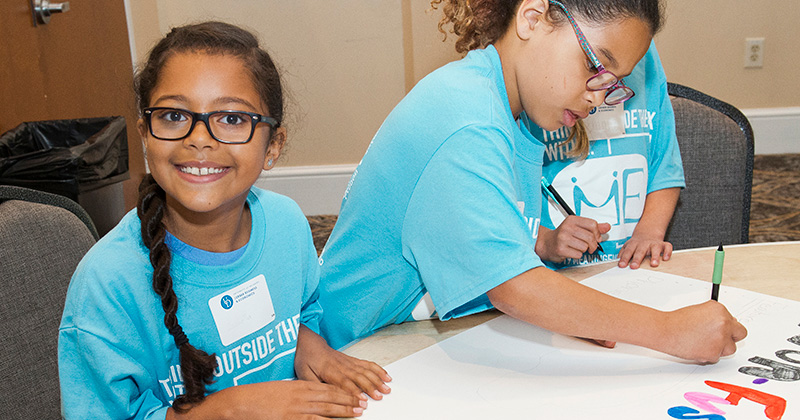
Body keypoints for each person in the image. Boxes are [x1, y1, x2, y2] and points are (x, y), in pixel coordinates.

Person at [318, 0, 746, 364]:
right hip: (347, 350)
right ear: (533, 17)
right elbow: (514, 286)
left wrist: (583, 314)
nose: (598, 98)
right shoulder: (470, 121)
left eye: (614, 85)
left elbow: (505, 246)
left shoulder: (508, 108)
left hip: (409, 337)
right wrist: (670, 331)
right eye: (596, 66)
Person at [58, 21, 390, 420]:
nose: (199, 138)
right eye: (174, 115)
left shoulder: (285, 224)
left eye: (232, 119)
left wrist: (307, 343)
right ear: (145, 133)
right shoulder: (107, 284)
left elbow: (303, 310)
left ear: (273, 147)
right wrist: (225, 411)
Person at [525, 42, 683, 270]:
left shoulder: (644, 52)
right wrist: (543, 241)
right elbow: (498, 204)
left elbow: (665, 166)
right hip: (548, 273)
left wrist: (649, 232)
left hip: (629, 270)